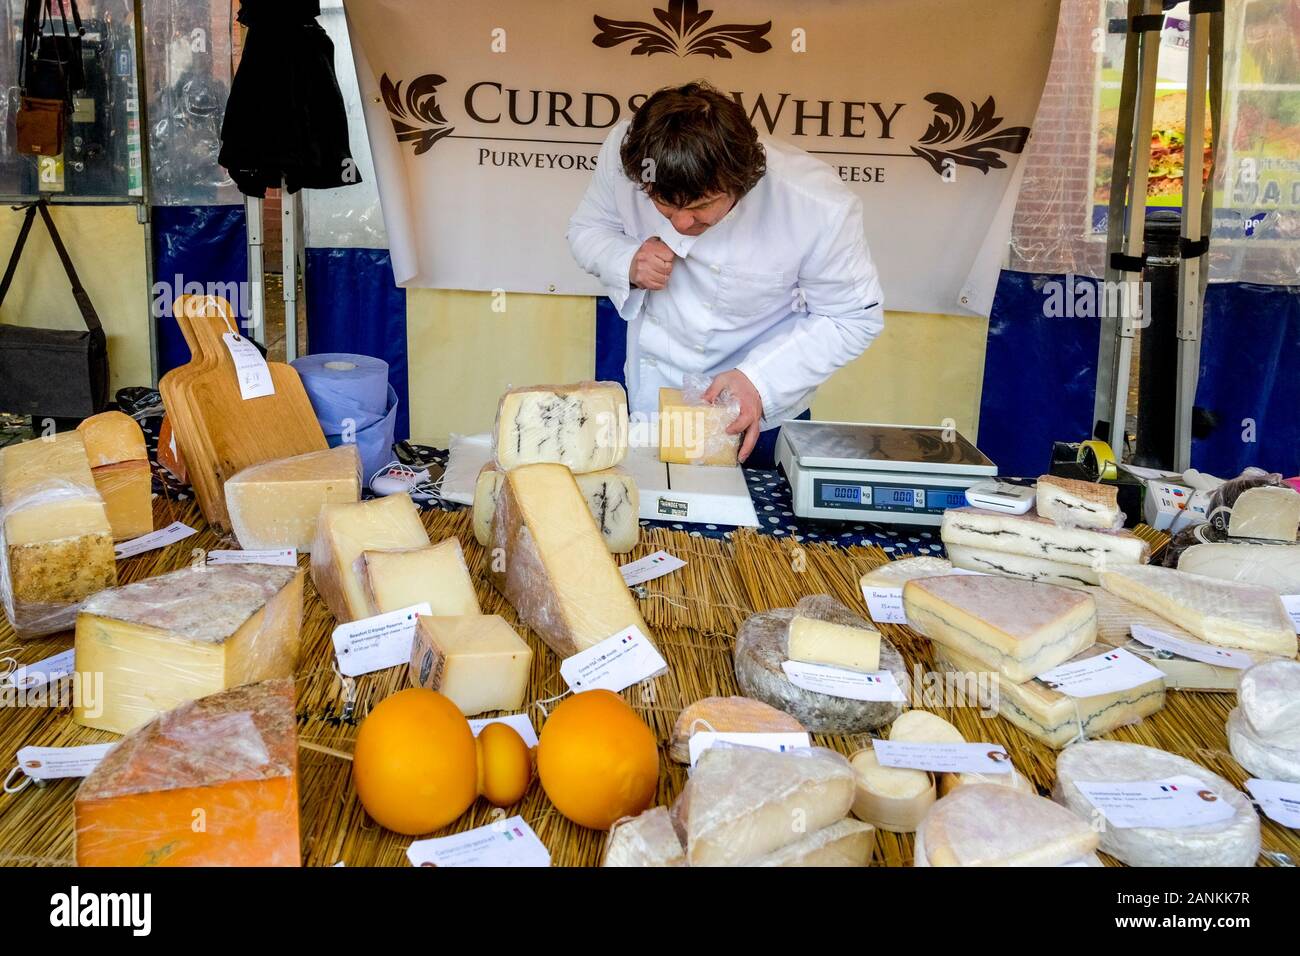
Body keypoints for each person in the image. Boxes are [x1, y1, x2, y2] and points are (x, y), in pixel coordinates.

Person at [567, 81, 885, 469]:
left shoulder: (816, 205)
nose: (682, 224)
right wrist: (627, 259)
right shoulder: (626, 153)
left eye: (702, 206)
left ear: (743, 182)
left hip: (760, 420)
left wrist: (759, 380)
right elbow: (587, 230)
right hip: (649, 405)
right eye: (664, 206)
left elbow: (852, 317)